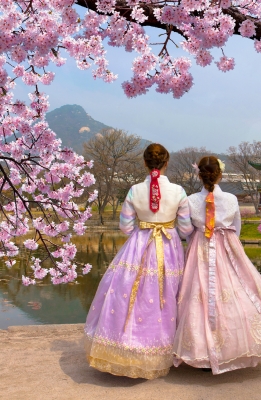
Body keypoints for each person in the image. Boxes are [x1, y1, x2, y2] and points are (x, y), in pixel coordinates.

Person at [173, 156, 261, 374]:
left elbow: (186, 231)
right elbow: (236, 228)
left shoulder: (190, 200)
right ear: (220, 175)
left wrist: (197, 241)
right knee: (236, 292)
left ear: (199, 175)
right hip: (228, 247)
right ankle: (231, 348)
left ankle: (202, 352)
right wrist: (228, 244)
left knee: (197, 295)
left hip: (200, 247)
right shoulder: (231, 199)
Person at [84, 143, 193, 380]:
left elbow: (124, 227)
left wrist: (144, 225)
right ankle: (162, 350)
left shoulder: (134, 190)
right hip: (168, 248)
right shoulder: (178, 192)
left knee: (131, 295)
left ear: (145, 163)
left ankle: (126, 347)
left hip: (139, 246)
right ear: (167, 163)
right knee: (165, 296)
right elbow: (185, 228)